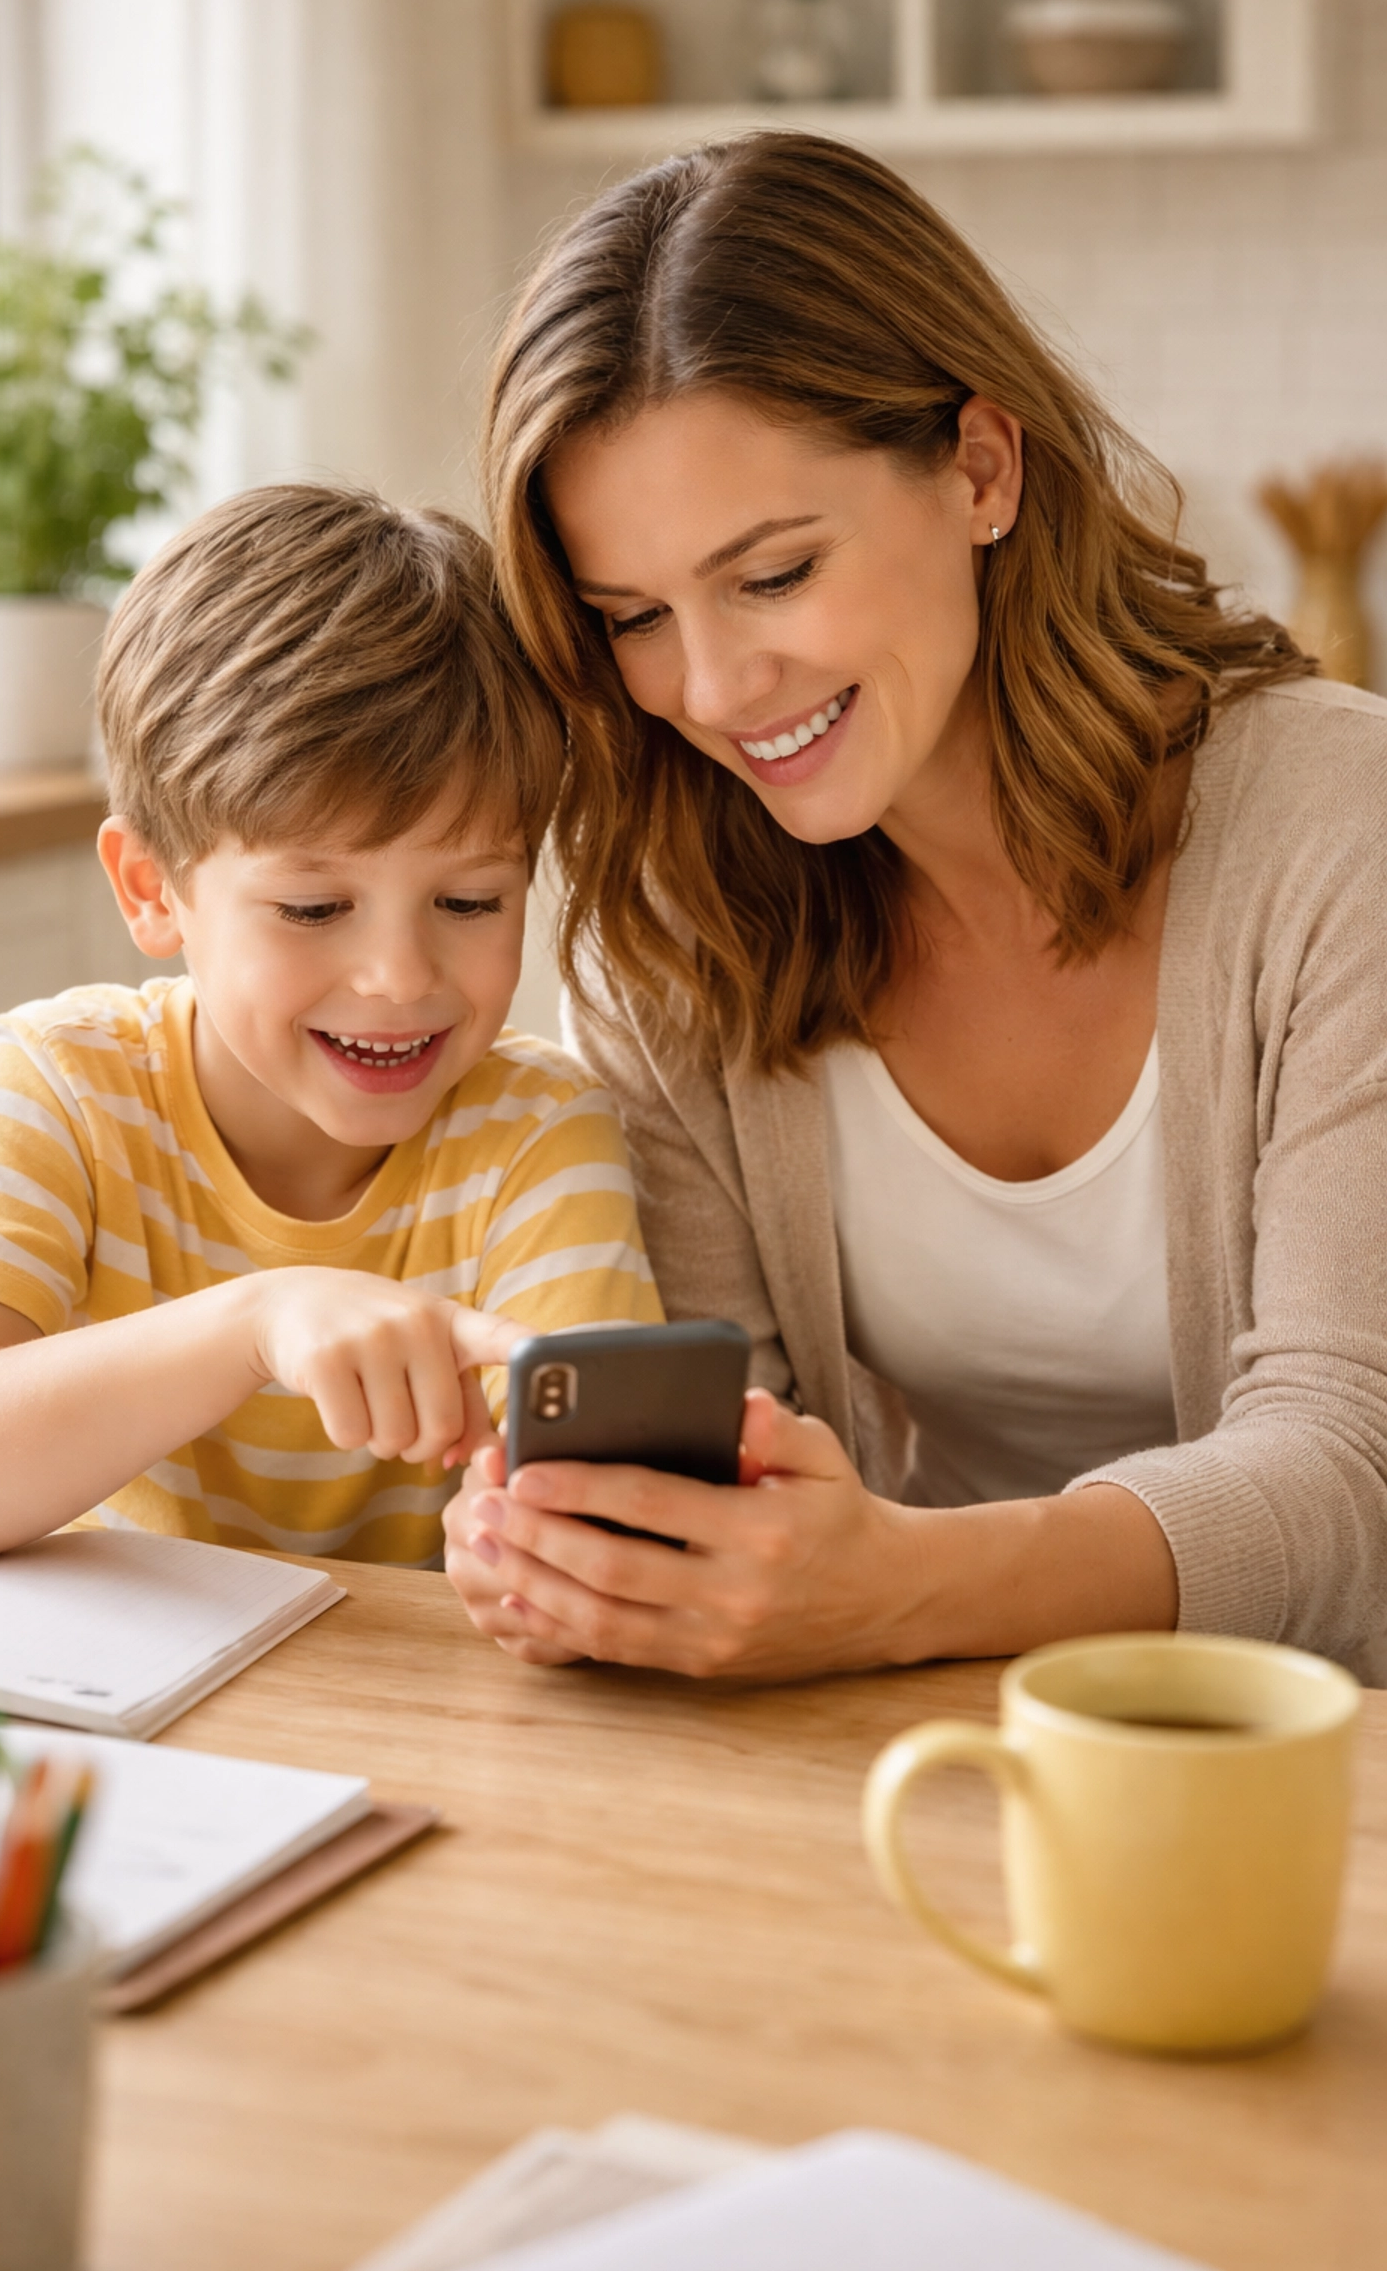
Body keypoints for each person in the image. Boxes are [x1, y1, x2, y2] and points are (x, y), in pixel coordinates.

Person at [445, 129, 1387, 1686]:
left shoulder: (1336, 833)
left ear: (979, 471)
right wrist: (609, 1554)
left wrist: (902, 1583)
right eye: (634, 619)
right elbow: (734, 1456)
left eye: (774, 573)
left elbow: (1353, 1471)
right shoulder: (672, 927)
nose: (716, 687)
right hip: (896, 1737)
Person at [0, 483, 660, 1567]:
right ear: (151, 888)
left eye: (471, 902)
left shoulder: (536, 1132)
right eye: (314, 908)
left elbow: (613, 1511)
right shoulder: (53, 1086)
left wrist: (556, 1540)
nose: (397, 977)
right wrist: (256, 1323)